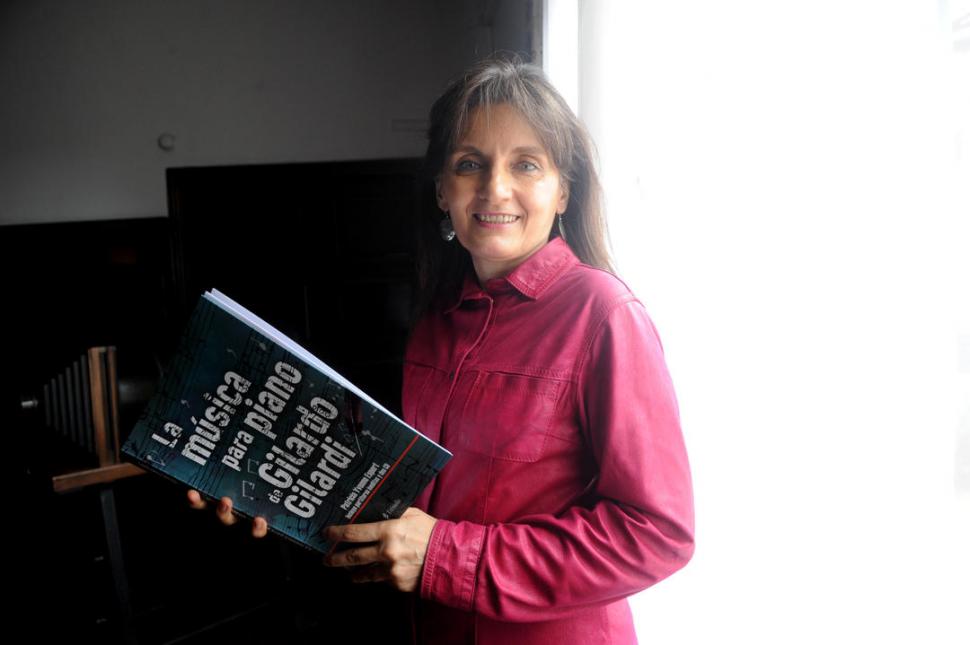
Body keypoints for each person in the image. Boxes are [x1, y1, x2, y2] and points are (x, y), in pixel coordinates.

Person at [189, 55, 694, 644]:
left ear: (563, 191)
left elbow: (658, 533)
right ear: (441, 190)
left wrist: (444, 557)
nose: (494, 187)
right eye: (470, 164)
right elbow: (411, 502)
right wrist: (270, 489)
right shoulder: (437, 318)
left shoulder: (605, 315)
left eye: (526, 164)